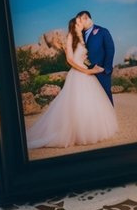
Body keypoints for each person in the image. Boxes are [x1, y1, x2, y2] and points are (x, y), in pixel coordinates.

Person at [26, 15, 118, 150]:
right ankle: (76, 133)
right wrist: (86, 71)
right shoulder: (70, 37)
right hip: (78, 74)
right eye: (78, 22)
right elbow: (70, 60)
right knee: (76, 104)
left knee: (89, 103)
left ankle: (90, 130)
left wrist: (92, 68)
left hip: (88, 74)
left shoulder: (83, 38)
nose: (81, 24)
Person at [76, 10, 115, 103]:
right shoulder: (79, 36)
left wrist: (106, 69)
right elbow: (82, 56)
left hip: (102, 73)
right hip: (87, 74)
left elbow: (110, 50)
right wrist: (90, 67)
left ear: (86, 18)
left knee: (106, 98)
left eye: (79, 21)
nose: (78, 24)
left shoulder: (103, 31)